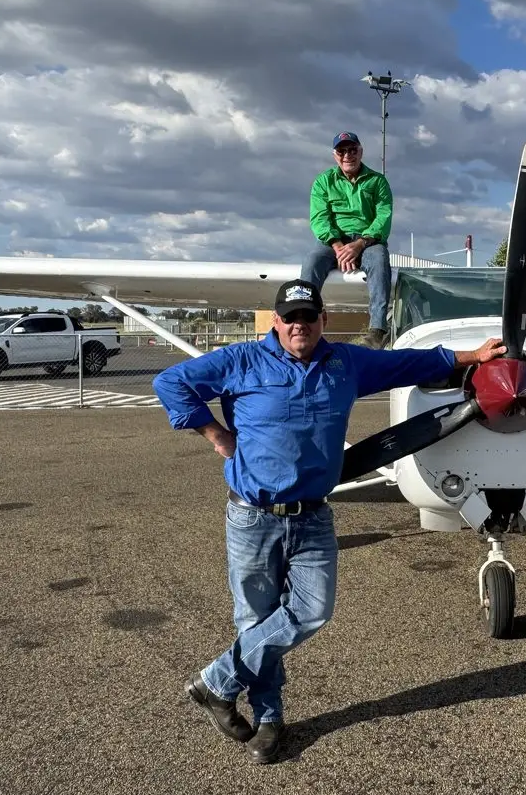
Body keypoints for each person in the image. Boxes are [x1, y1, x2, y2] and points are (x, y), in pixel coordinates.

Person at [152, 278, 505, 765]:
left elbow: (410, 363)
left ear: (324, 320)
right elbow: (170, 382)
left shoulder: (347, 362)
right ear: (275, 321)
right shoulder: (241, 361)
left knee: (311, 611)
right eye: (289, 317)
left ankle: (215, 682)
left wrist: (472, 357)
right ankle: (270, 720)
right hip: (253, 516)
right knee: (256, 620)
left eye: (308, 316)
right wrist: (214, 432)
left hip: (313, 515)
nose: (299, 325)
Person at [302, 132, 394, 349]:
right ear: (335, 155)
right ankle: (303, 319)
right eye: (342, 151)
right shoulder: (323, 182)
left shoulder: (378, 181)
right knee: (312, 262)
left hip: (368, 241)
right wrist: (338, 246)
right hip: (333, 241)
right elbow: (319, 218)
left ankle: (378, 330)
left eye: (352, 150)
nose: (347, 155)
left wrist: (360, 243)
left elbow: (383, 217)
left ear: (360, 151)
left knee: (380, 261)